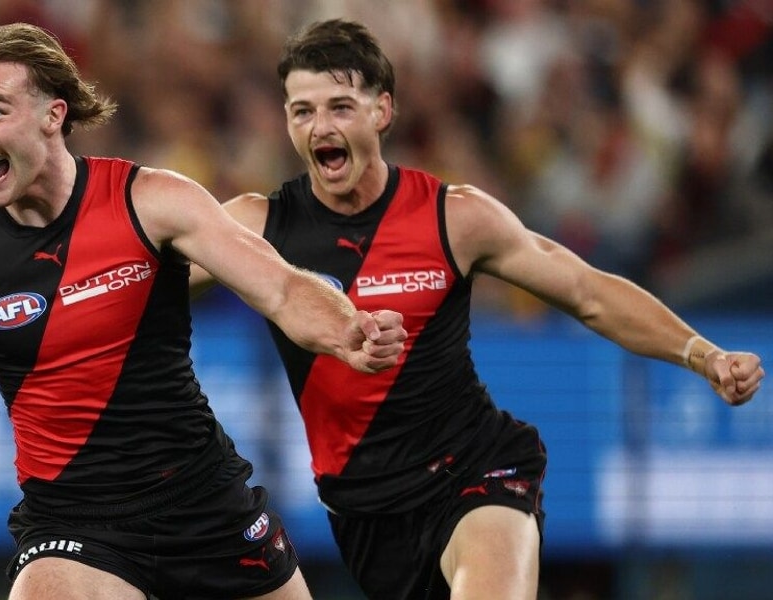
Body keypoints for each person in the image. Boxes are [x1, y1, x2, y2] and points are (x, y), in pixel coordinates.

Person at [0, 22, 408, 600]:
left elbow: (281, 289)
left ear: (54, 115)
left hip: (204, 504)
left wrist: (347, 330)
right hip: (73, 523)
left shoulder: (151, 201)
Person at [190, 18, 765, 600]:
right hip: (365, 516)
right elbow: (149, 270)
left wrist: (703, 355)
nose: (320, 127)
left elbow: (587, 292)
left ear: (382, 111)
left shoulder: (453, 216)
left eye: (340, 107)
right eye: (302, 111)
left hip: (475, 468)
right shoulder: (255, 226)